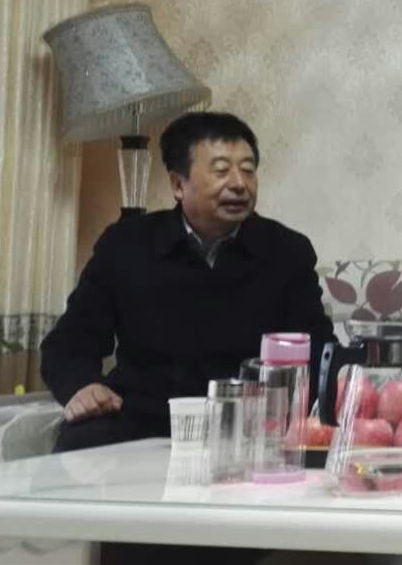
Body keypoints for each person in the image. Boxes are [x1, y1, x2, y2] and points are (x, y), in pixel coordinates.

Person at [41, 112, 334, 452]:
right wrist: (82, 386)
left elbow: (318, 350)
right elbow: (70, 343)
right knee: (80, 441)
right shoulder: (126, 245)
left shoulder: (285, 251)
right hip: (142, 418)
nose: (239, 184)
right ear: (178, 185)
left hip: (247, 425)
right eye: (221, 171)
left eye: (248, 170)